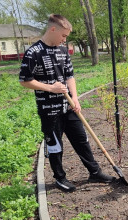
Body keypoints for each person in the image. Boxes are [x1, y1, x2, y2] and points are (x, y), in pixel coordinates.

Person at [19, 14, 115, 193]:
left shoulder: (63, 51)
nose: (65, 39)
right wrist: (50, 88)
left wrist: (76, 98)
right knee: (55, 145)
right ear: (53, 29)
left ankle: (95, 172)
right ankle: (60, 178)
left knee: (81, 140)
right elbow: (25, 81)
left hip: (69, 106)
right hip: (49, 110)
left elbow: (70, 76)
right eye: (63, 35)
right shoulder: (33, 52)